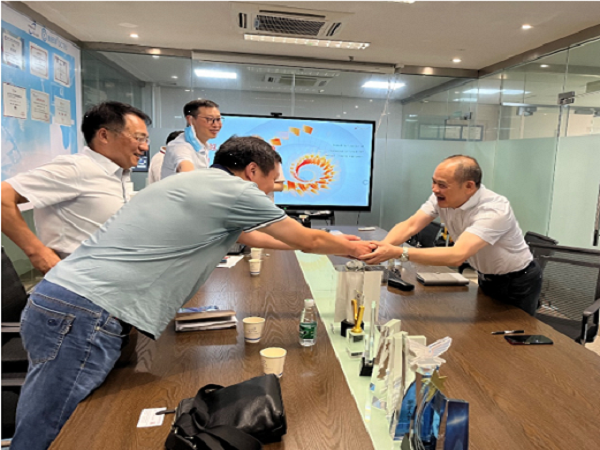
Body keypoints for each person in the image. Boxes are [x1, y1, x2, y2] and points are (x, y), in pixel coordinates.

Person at [12, 136, 375, 450]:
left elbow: (252, 235)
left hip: (70, 303)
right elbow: (307, 239)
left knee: (67, 418)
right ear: (252, 171)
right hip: (85, 313)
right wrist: (356, 249)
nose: (271, 190)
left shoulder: (193, 183)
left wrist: (337, 243)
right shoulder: (237, 190)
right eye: (272, 181)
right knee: (52, 427)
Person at [361, 155, 542, 316]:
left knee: (515, 334)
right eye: (433, 182)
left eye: (442, 185)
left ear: (469, 186)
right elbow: (410, 225)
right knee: (485, 331)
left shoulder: (494, 210)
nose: (435, 189)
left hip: (518, 281)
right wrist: (381, 248)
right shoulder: (441, 197)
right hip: (487, 277)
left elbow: (457, 255)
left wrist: (397, 252)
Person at [1, 101, 151, 273]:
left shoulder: (118, 173)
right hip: (79, 281)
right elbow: (3, 197)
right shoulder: (77, 168)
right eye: (138, 138)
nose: (144, 147)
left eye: (146, 140)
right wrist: (37, 252)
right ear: (104, 135)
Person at [161, 99, 221, 179]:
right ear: (190, 120)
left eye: (218, 119)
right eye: (209, 119)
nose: (216, 125)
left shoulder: (203, 145)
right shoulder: (180, 146)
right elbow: (185, 168)